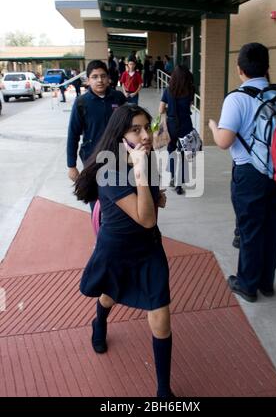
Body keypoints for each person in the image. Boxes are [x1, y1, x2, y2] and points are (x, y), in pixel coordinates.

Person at [74, 105, 174, 398]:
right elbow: (144, 217)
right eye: (136, 130)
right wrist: (142, 176)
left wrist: (158, 195)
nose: (145, 135)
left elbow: (149, 210)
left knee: (161, 319)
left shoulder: (145, 157)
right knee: (109, 296)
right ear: (120, 136)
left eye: (147, 128)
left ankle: (164, 390)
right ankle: (99, 322)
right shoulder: (109, 170)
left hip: (149, 248)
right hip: (116, 249)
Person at [208, 42, 276, 302]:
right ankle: (266, 282)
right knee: (273, 225)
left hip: (250, 174)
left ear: (240, 69)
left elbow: (224, 141)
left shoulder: (237, 98)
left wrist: (214, 127)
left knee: (251, 229)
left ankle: (247, 284)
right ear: (267, 67)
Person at [67, 60, 127, 184]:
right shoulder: (81, 103)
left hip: (118, 155)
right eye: (94, 77)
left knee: (119, 192)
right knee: (95, 195)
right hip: (92, 156)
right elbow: (73, 135)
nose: (99, 80)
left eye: (103, 76)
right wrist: (71, 165)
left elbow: (129, 126)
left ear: (108, 78)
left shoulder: (118, 98)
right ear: (88, 80)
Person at [159, 65, 194, 195]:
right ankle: (180, 183)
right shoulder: (190, 90)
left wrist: (170, 110)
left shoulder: (168, 90)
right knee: (185, 153)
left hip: (172, 124)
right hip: (186, 124)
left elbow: (161, 109)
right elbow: (189, 106)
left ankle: (172, 177)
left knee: (171, 150)